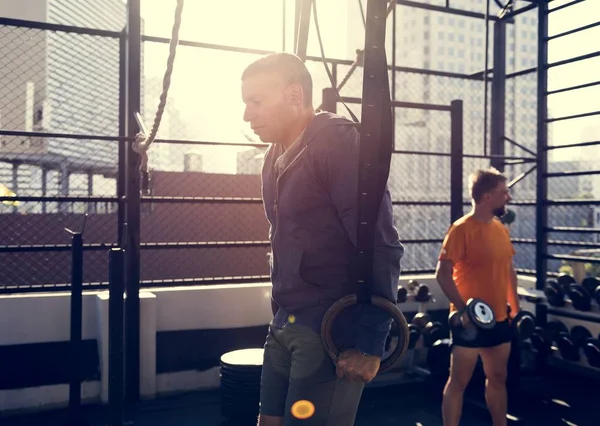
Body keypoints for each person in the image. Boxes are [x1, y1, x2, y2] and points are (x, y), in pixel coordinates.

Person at [240, 52, 404, 426]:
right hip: (284, 324)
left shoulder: (340, 144)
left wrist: (369, 343)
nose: (247, 115)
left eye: (257, 101)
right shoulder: (272, 158)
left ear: (295, 95)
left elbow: (381, 244)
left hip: (331, 330)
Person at [435, 167, 521, 426]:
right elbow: (442, 274)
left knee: (498, 378)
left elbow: (509, 271)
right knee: (458, 382)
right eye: (504, 192)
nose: (508, 197)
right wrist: (463, 312)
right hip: (468, 323)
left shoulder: (501, 230)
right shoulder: (461, 229)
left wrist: (515, 310)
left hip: (499, 319)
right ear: (487, 197)